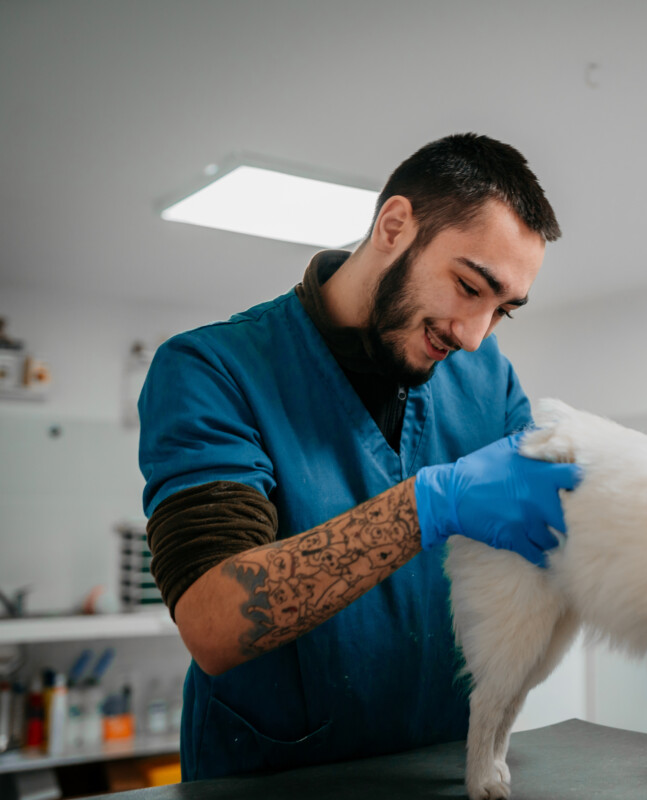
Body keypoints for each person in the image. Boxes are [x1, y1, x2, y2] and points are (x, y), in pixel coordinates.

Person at [138, 133, 581, 781]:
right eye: (467, 286)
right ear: (395, 225)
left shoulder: (489, 384)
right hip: (274, 782)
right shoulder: (213, 370)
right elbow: (211, 621)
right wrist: (431, 505)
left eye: (502, 311)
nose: (474, 334)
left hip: (442, 772)